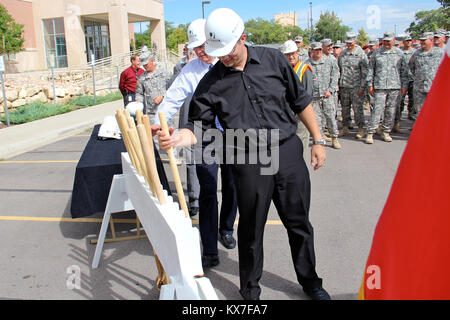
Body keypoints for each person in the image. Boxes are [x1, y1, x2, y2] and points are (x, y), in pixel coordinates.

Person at [157, 8, 330, 301]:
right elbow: (197, 127)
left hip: (286, 152)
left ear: (243, 38)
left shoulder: (274, 60)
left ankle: (311, 282)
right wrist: (177, 138)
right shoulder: (210, 83)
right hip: (247, 159)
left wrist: (318, 139)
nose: (223, 57)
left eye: (228, 50)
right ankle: (250, 291)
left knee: (298, 222)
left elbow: (300, 101)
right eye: (218, 52)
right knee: (250, 230)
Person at [154, 18, 238, 268]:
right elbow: (172, 98)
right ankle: (210, 248)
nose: (200, 51)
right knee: (208, 191)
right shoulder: (190, 70)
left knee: (233, 186)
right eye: (196, 48)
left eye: (202, 45)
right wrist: (156, 120)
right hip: (206, 136)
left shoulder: (230, 61)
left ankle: (226, 229)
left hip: (234, 136)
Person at [365, 31, 408, 144]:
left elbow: (404, 72)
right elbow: (371, 70)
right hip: (380, 86)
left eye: (389, 41)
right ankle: (371, 132)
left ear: (393, 41)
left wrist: (404, 86)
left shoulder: (399, 54)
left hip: (395, 87)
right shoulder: (377, 53)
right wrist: (370, 84)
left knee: (391, 111)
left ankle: (386, 131)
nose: (387, 43)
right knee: (377, 110)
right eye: (385, 41)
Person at [280, 39, 314, 160]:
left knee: (300, 144)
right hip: (285, 116)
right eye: (288, 54)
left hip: (299, 116)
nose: (291, 57)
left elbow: (308, 96)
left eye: (293, 53)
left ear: (298, 52)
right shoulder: (281, 69)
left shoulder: (304, 70)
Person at [307, 42, 341, 149]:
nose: (318, 52)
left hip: (327, 96)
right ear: (311, 51)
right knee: (317, 120)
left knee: (331, 117)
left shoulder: (329, 61)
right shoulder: (306, 64)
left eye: (320, 50)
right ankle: (320, 139)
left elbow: (335, 76)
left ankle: (334, 138)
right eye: (315, 50)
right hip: (314, 98)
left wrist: (331, 90)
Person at [338, 32, 369, 140]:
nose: (349, 44)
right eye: (347, 42)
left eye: (351, 42)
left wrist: (362, 87)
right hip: (344, 86)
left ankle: (360, 128)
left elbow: (365, 73)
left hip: (356, 87)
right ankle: (345, 127)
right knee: (344, 109)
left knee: (358, 109)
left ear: (355, 41)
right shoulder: (343, 53)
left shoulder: (361, 54)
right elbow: (339, 69)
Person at [409, 32, 444, 121]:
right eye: (421, 40)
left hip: (435, 88)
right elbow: (411, 67)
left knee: (436, 112)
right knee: (420, 113)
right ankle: (421, 134)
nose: (421, 42)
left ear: (431, 40)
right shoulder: (416, 53)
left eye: (424, 40)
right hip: (419, 89)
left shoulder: (440, 52)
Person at [135, 51, 171, 120]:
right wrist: (138, 101)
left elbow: (173, 88)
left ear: (151, 60)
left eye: (146, 64)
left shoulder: (165, 73)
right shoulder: (142, 78)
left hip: (166, 110)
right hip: (152, 113)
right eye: (143, 65)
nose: (145, 67)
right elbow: (139, 92)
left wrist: (163, 95)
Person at [396, 35, 416, 125]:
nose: (408, 42)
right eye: (406, 41)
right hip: (401, 79)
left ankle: (411, 116)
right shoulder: (399, 52)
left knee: (413, 99)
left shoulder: (415, 52)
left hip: (413, 79)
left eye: (409, 40)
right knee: (400, 99)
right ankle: (398, 118)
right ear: (403, 42)